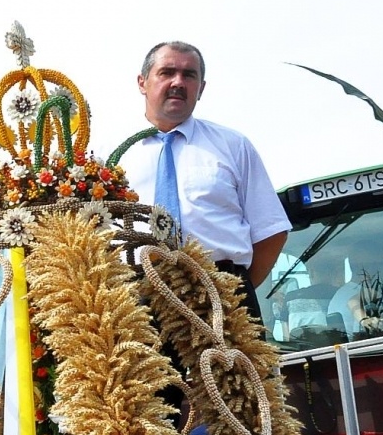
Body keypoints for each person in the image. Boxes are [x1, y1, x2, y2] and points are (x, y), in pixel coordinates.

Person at [118, 41, 290, 322]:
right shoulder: (111, 155)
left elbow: (271, 231)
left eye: (189, 75)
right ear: (142, 82)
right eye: (167, 72)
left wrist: (234, 288)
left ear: (201, 88)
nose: (178, 82)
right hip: (137, 301)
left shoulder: (232, 145)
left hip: (223, 295)